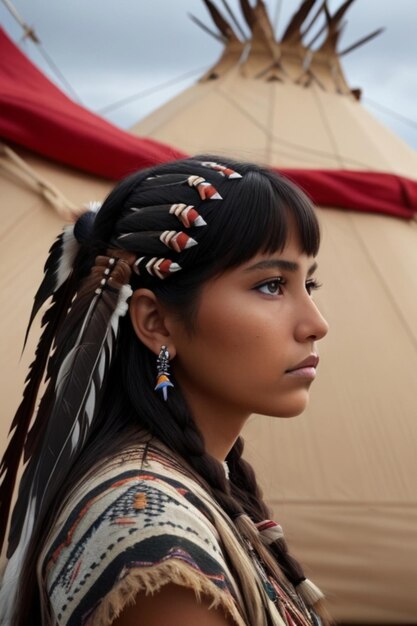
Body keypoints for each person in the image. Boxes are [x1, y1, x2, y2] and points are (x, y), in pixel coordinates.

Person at [0, 156, 329, 626]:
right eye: (272, 285)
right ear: (155, 322)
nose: (317, 324)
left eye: (309, 283)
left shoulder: (192, 491)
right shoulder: (154, 538)